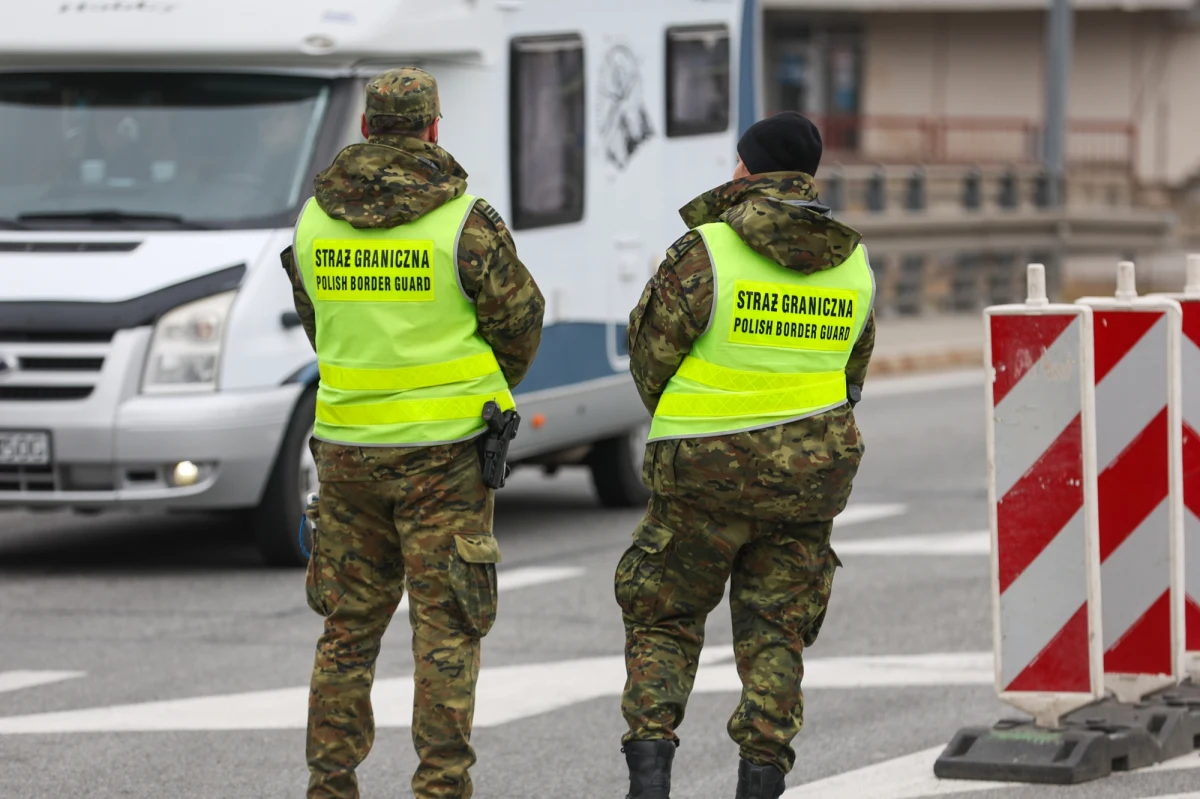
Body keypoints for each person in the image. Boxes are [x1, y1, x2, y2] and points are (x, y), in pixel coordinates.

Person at [279, 67, 545, 799]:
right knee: (446, 635)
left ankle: (329, 786)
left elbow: (317, 325)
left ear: (365, 128)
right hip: (445, 458)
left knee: (346, 631)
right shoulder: (465, 222)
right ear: (433, 128)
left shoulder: (312, 220)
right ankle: (440, 788)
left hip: (345, 455)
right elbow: (520, 326)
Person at [615, 111, 875, 799]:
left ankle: (650, 778)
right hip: (807, 483)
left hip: (701, 475)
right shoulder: (852, 259)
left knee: (665, 620)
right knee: (776, 633)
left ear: (746, 169)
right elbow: (852, 375)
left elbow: (650, 357)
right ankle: (760, 780)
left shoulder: (706, 249)